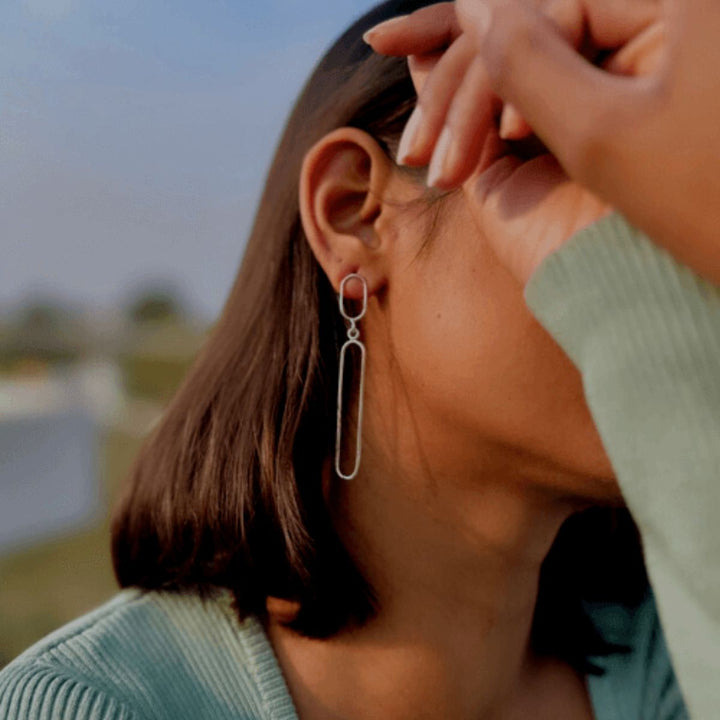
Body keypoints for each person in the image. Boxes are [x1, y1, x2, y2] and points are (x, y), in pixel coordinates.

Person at [1, 0, 718, 718]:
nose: (680, 260)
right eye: (597, 182)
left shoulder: (681, 658)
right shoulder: (91, 705)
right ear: (356, 213)